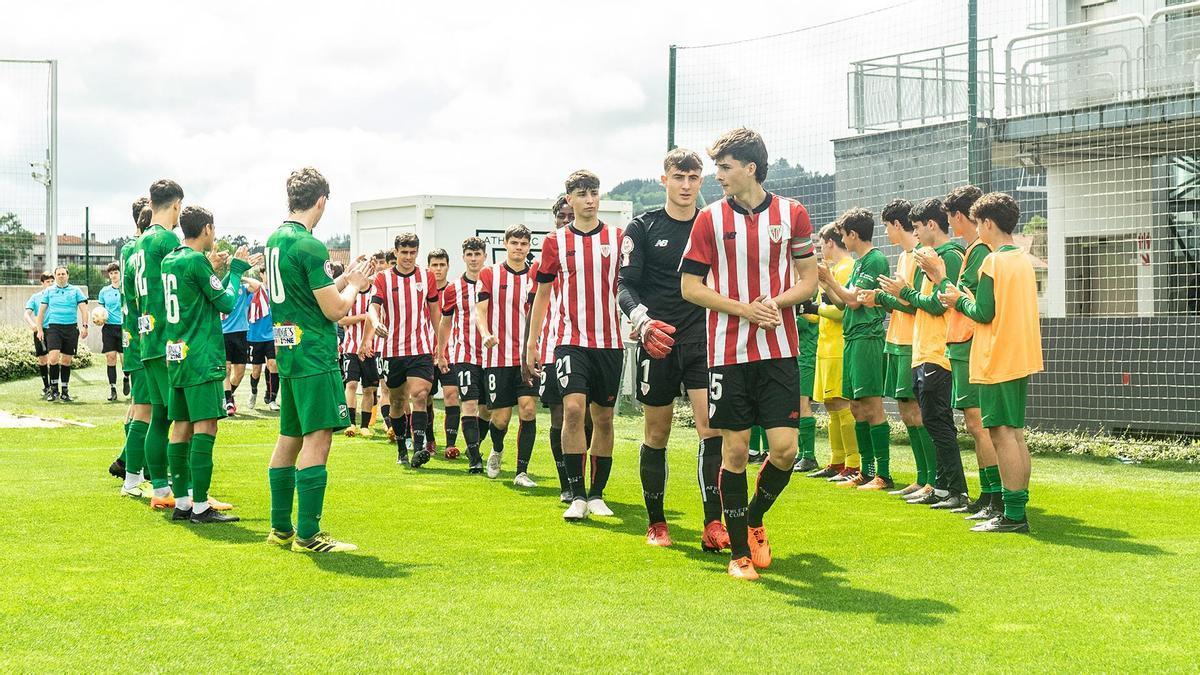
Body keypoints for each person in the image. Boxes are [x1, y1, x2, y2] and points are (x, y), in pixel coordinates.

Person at [679, 128, 818, 580]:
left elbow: (809, 281)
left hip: (779, 351)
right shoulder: (709, 220)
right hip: (726, 353)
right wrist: (744, 310)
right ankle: (739, 555)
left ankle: (754, 518)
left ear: (750, 168)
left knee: (784, 450)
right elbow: (690, 287)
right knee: (735, 451)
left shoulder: (792, 214)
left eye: (724, 167)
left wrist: (773, 305)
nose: (716, 176)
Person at [617, 147, 729, 551]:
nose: (685, 185)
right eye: (678, 177)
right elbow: (624, 285)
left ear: (702, 181)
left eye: (693, 178)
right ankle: (657, 522)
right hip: (657, 341)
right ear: (664, 180)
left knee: (711, 429)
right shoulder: (642, 227)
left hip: (703, 339)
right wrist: (642, 321)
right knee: (657, 431)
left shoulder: (714, 225)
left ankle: (713, 523)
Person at [265, 167, 372, 553]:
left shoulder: (276, 239)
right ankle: (308, 535)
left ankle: (280, 529)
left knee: (289, 436)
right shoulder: (310, 245)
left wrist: (346, 278)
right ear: (321, 201)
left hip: (288, 352)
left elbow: (312, 292)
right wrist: (357, 286)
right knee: (318, 437)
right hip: (313, 353)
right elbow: (335, 312)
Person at [939, 192, 1042, 533]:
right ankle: (1016, 509)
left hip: (998, 356)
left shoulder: (993, 262)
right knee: (1015, 433)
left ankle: (1013, 515)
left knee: (1001, 434)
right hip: (1021, 354)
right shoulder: (1022, 259)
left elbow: (982, 312)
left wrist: (958, 298)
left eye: (978, 223)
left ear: (987, 223)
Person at [525, 170, 623, 521]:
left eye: (594, 193)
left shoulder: (617, 237)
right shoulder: (555, 242)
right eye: (582, 194)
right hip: (570, 342)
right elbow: (542, 296)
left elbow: (631, 285)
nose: (589, 200)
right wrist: (532, 345)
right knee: (573, 411)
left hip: (611, 342)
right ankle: (577, 495)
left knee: (605, 418)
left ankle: (598, 494)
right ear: (569, 199)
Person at [161, 205, 257, 523]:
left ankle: (183, 503)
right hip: (202, 356)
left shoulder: (170, 260)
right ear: (207, 230)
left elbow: (201, 293)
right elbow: (227, 302)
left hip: (177, 353)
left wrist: (218, 271)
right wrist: (237, 268)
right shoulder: (195, 261)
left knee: (181, 426)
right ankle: (201, 506)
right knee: (206, 426)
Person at [880, 197, 969, 509]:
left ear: (932, 225)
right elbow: (921, 303)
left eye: (917, 227)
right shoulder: (929, 256)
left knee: (939, 422)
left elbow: (936, 303)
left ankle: (956, 490)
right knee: (932, 420)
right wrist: (902, 295)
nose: (915, 234)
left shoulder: (949, 256)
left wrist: (903, 292)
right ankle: (941, 488)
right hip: (922, 349)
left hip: (939, 350)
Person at [924, 185, 1001, 520]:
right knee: (975, 423)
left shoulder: (980, 251)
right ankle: (988, 495)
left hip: (970, 341)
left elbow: (964, 299)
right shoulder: (972, 249)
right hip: (960, 342)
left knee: (981, 424)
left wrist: (940, 278)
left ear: (958, 216)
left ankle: (995, 496)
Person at [859, 199, 936, 496]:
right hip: (897, 341)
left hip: (911, 342)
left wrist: (880, 298)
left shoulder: (919, 256)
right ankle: (921, 478)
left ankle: (933, 480)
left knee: (917, 412)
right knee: (906, 412)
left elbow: (913, 304)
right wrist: (884, 297)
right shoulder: (905, 256)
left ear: (897, 225)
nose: (886, 233)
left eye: (887, 226)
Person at [819, 208, 892, 490]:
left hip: (867, 338)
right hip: (852, 338)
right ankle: (866, 470)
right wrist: (827, 282)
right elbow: (841, 303)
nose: (842, 241)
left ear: (853, 234)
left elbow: (853, 302)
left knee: (872, 406)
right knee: (856, 406)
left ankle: (882, 475)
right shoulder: (861, 263)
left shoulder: (874, 260)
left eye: (844, 235)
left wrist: (832, 281)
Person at [131, 179, 187, 509]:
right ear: (177, 205)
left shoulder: (136, 245)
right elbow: (181, 284)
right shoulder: (166, 239)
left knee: (159, 417)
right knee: (184, 416)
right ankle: (189, 494)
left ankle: (162, 490)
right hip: (167, 341)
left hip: (145, 340)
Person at [368, 233, 440, 468]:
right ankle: (402, 448)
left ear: (417, 252)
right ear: (396, 252)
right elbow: (373, 306)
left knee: (420, 395)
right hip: (392, 349)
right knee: (397, 402)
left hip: (421, 348)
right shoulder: (383, 278)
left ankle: (419, 449)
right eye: (404, 252)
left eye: (412, 252)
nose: (408, 257)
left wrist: (440, 342)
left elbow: (434, 310)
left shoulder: (426, 276)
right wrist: (376, 322)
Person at [476, 225, 540, 486]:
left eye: (524, 244)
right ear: (505, 244)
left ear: (529, 246)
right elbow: (480, 310)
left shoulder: (535, 275)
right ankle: (497, 449)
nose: (519, 248)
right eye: (514, 243)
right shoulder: (490, 273)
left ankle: (521, 472)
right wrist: (485, 333)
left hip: (526, 359)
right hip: (497, 357)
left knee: (528, 410)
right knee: (500, 418)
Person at [807, 224, 861, 484]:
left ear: (830, 242)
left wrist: (815, 308)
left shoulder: (847, 268)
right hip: (826, 346)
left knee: (842, 404)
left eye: (820, 242)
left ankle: (853, 462)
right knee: (831, 406)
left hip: (839, 346)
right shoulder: (830, 271)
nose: (819, 248)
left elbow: (842, 311)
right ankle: (837, 460)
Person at [436, 237, 488, 470]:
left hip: (492, 354)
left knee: (489, 410)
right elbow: (445, 323)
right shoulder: (453, 289)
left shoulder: (493, 282)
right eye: (470, 255)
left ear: (485, 256)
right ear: (464, 257)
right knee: (469, 404)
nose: (474, 259)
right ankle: (475, 460)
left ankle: (473, 445)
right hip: (464, 354)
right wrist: (441, 352)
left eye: (478, 254)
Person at [536, 196, 576, 502]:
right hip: (552, 346)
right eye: (562, 216)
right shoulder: (545, 257)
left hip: (590, 345)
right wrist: (531, 345)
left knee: (587, 418)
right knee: (560, 415)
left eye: (570, 215)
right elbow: (533, 307)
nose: (566, 220)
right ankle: (567, 484)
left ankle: (585, 480)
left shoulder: (594, 251)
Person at [113, 201, 154, 494]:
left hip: (132, 336)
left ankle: (131, 463)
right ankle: (132, 469)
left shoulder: (128, 249)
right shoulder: (141, 250)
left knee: (139, 405)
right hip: (144, 339)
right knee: (146, 408)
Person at [36, 266, 89, 403]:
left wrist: (85, 327)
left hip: (71, 329)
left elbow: (84, 310)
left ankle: (65, 391)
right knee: (53, 358)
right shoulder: (49, 291)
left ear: (67, 276)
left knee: (66, 361)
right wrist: (40, 330)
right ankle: (54, 391)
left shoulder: (76, 290)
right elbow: (41, 312)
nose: (61, 276)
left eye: (63, 274)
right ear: (55, 276)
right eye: (58, 274)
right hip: (54, 329)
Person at [338, 275, 381, 438]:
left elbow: (381, 319)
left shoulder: (376, 294)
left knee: (369, 389)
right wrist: (363, 317)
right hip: (351, 348)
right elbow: (341, 320)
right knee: (351, 385)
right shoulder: (349, 294)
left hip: (371, 349)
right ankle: (351, 423)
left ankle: (365, 425)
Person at [425, 248, 457, 455]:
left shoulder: (455, 290)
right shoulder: (422, 291)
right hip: (425, 352)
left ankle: (451, 444)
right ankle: (430, 440)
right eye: (434, 265)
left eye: (441, 265)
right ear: (428, 267)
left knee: (451, 396)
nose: (438, 269)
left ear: (448, 266)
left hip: (451, 352)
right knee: (424, 397)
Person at [220, 260, 260, 415]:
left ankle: (227, 395)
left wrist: (242, 277)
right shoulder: (222, 289)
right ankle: (229, 401)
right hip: (224, 333)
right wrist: (232, 273)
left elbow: (257, 286)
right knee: (227, 369)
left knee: (240, 372)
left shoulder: (243, 289)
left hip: (242, 333)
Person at [246, 277, 279, 411]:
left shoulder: (274, 294)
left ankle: (272, 399)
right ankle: (254, 392)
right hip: (254, 337)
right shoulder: (249, 294)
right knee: (256, 370)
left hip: (271, 336)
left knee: (273, 365)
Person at [97, 262, 129, 401]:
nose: (113, 275)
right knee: (110, 358)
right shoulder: (104, 291)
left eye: (116, 272)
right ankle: (113, 389)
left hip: (124, 327)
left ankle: (127, 378)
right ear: (108, 275)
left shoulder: (126, 289)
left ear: (120, 273)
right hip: (109, 328)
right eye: (111, 273)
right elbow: (100, 310)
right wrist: (98, 318)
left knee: (124, 360)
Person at [24, 272, 54, 397]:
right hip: (40, 331)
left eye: (52, 281)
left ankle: (55, 386)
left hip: (54, 331)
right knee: (42, 359)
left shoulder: (57, 296)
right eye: (48, 282)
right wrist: (32, 324)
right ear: (42, 283)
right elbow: (26, 314)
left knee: (53, 358)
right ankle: (46, 386)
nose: (51, 284)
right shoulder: (35, 297)